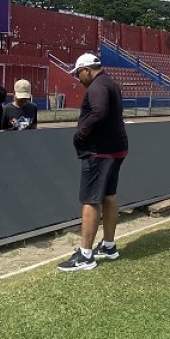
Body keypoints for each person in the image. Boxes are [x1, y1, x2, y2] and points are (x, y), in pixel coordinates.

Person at [58, 53, 128, 272]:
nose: (78, 78)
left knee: (90, 199)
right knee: (109, 195)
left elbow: (99, 112)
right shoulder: (111, 83)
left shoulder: (97, 86)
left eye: (79, 73)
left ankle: (85, 255)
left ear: (87, 69)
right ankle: (108, 246)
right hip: (116, 148)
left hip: (99, 151)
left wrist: (80, 134)